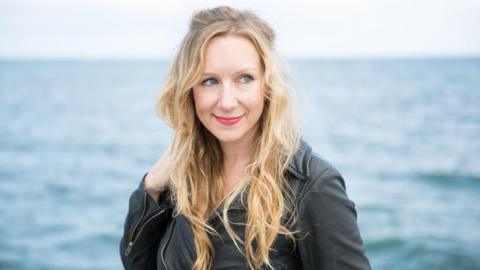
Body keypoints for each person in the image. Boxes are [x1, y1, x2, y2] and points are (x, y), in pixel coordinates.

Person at [119, 5, 371, 270]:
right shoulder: (180, 177)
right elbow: (137, 264)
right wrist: (151, 190)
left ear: (267, 85)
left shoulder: (313, 186)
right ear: (188, 89)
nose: (227, 102)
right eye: (209, 81)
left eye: (244, 78)